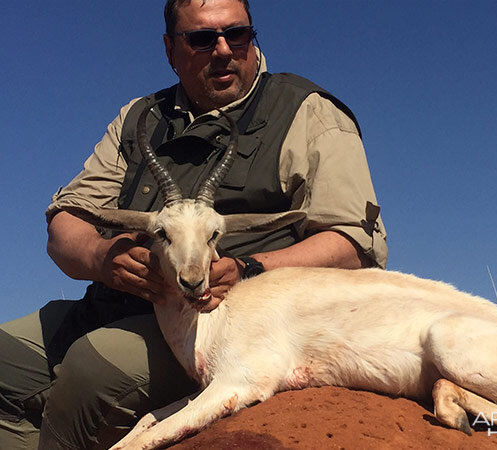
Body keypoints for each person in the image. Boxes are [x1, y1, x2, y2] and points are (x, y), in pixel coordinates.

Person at [0, 0, 387, 448]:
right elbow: (66, 222)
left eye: (237, 34)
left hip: (222, 324)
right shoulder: (139, 119)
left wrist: (250, 268)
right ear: (170, 49)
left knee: (92, 369)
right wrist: (102, 257)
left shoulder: (307, 112)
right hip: (115, 301)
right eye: (202, 39)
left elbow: (352, 245)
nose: (222, 49)